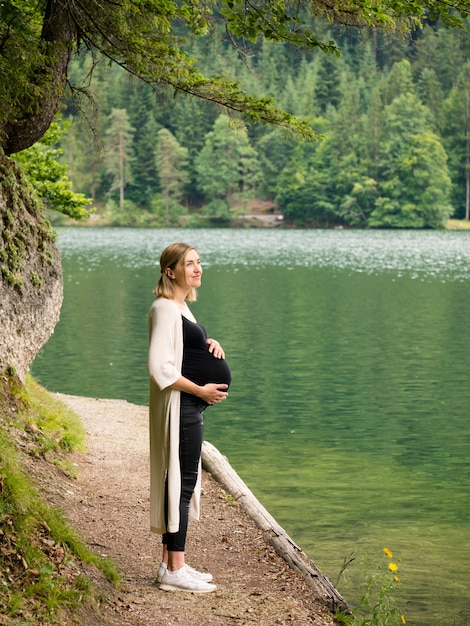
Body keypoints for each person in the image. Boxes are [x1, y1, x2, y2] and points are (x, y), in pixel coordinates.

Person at [147, 242, 231, 593]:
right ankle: (175, 569)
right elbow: (159, 366)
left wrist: (208, 343)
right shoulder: (165, 307)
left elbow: (180, 349)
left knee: (181, 481)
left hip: (189, 406)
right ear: (170, 271)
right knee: (181, 483)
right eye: (189, 264)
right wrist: (200, 390)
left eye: (199, 263)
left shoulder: (180, 307)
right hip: (183, 406)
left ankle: (171, 564)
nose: (198, 269)